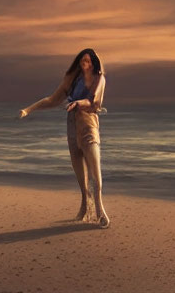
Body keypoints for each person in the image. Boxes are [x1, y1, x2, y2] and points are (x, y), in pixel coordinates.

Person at [19, 48, 110, 228]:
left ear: (94, 63)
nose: (86, 64)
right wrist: (28, 109)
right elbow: (52, 100)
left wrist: (77, 103)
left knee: (95, 172)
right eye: (83, 60)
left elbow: (93, 101)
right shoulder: (74, 81)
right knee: (80, 175)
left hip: (89, 126)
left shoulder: (99, 79)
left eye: (89, 60)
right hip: (72, 126)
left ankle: (100, 210)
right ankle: (85, 209)